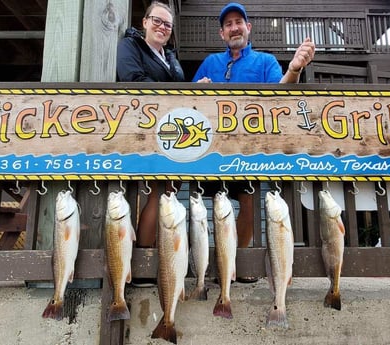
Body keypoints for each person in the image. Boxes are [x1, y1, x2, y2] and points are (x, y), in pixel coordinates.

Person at [193, 2, 316, 283]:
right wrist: (198, 91)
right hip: (213, 150)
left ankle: (241, 263)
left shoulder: (265, 61)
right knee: (214, 208)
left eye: (239, 22)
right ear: (222, 34)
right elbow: (189, 104)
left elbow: (280, 95)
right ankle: (220, 265)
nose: (234, 27)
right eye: (228, 24)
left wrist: (295, 69)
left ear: (248, 28)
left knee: (248, 202)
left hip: (250, 150)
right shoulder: (210, 63)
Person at [117, 1, 184, 287]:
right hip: (144, 128)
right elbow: (132, 79)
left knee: (169, 192)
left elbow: (180, 88)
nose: (162, 27)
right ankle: (143, 264)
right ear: (144, 22)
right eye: (157, 21)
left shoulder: (170, 56)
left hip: (172, 131)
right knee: (156, 192)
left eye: (167, 24)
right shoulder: (130, 46)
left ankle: (163, 260)